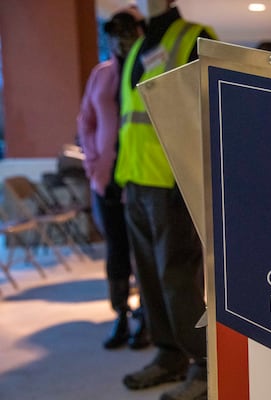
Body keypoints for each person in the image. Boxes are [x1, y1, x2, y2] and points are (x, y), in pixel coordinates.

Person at [113, 1, 217, 399]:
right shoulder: (139, 48)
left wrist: (190, 173)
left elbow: (209, 107)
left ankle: (208, 365)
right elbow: (131, 118)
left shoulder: (194, 36)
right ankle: (169, 355)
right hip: (136, 181)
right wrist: (120, 178)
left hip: (174, 180)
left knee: (178, 278)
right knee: (151, 278)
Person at [77, 8, 150, 350]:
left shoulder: (149, 67)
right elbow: (86, 121)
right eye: (115, 33)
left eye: (127, 31)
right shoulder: (101, 74)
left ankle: (149, 318)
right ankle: (121, 314)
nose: (121, 39)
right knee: (117, 251)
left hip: (142, 176)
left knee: (145, 252)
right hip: (107, 178)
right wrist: (94, 165)